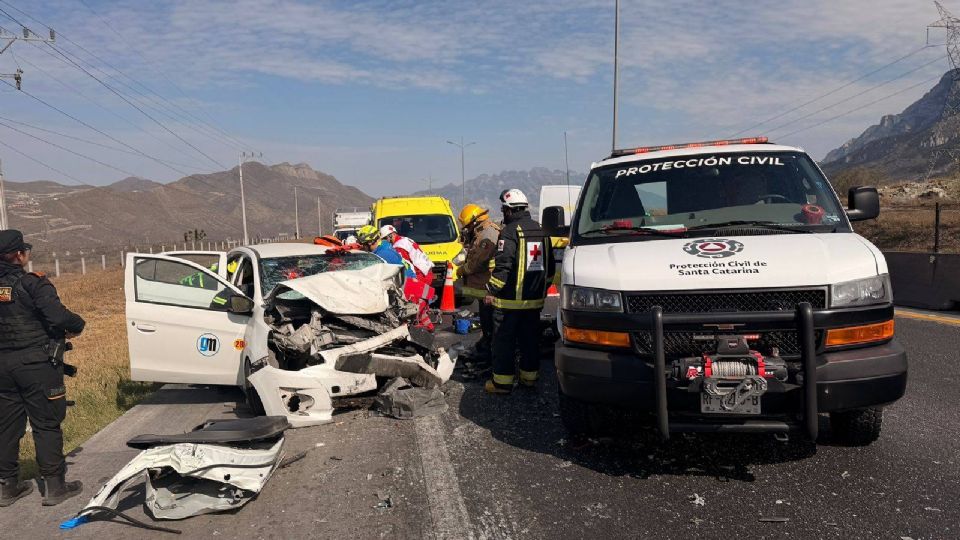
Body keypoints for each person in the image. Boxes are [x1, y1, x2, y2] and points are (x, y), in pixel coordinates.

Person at [0, 230, 85, 507]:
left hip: (2, 367)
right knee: (46, 422)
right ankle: (54, 486)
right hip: (36, 364)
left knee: (7, 426)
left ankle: (7, 486)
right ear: (19, 255)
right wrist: (78, 325)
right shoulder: (33, 283)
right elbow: (58, 316)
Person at [484, 189, 554, 394]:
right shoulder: (541, 230)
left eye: (503, 209)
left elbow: (503, 267)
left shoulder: (509, 232)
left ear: (508, 210)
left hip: (508, 304)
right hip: (534, 302)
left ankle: (502, 383)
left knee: (504, 342)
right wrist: (541, 289)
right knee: (530, 341)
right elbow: (550, 269)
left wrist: (491, 290)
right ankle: (529, 378)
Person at [456, 203, 500, 365]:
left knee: (490, 322)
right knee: (486, 321)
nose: (466, 229)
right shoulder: (482, 232)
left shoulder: (487, 233)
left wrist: (462, 270)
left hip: (488, 286)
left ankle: (489, 355)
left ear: (474, 221)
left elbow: (479, 261)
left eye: (467, 225)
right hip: (484, 287)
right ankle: (486, 348)